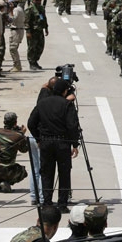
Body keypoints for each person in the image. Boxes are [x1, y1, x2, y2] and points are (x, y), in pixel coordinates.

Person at [28, 79, 80, 213]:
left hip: (46, 142)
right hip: (62, 143)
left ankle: (47, 203)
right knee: (64, 174)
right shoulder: (67, 104)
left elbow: (31, 123)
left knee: (47, 173)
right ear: (64, 91)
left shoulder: (42, 103)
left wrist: (39, 138)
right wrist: (75, 144)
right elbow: (72, 125)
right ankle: (62, 204)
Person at [0, 112, 28, 192]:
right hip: (8, 170)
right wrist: (22, 134)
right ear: (15, 123)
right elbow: (24, 150)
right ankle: (6, 182)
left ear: (4, 122)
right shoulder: (18, 136)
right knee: (23, 171)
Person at [25, 0, 49, 71]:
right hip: (32, 32)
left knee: (40, 47)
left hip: (40, 30)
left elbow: (44, 18)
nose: (39, 1)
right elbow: (26, 22)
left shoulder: (41, 8)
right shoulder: (30, 9)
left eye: (40, 0)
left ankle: (35, 61)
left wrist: (46, 28)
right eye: (37, 0)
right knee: (32, 48)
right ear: (33, 0)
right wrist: (28, 32)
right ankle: (31, 63)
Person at [9, 0, 26, 72]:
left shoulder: (16, 9)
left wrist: (10, 11)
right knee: (14, 48)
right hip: (19, 29)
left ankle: (17, 66)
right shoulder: (20, 9)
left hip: (16, 30)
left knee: (13, 48)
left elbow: (13, 19)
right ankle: (16, 65)